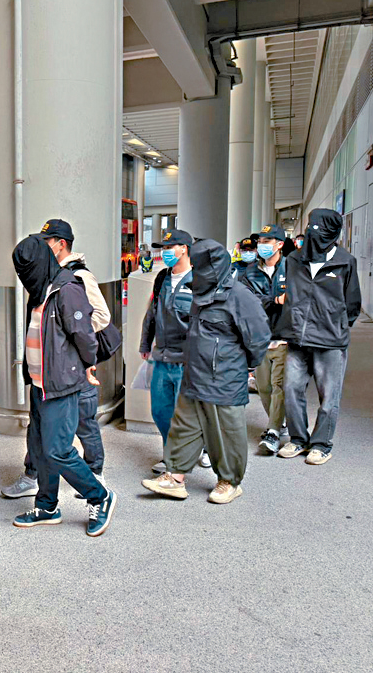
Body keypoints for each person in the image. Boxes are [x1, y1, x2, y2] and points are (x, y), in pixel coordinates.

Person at [142, 239, 270, 504]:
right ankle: (175, 477)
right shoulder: (200, 291)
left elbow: (258, 339)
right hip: (195, 373)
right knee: (184, 426)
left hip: (224, 378)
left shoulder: (240, 296)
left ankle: (229, 481)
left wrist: (244, 368)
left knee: (226, 432)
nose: (196, 272)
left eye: (200, 267)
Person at [10, 235, 117, 537]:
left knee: (58, 450)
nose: (24, 277)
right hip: (39, 383)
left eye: (27, 270)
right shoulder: (41, 289)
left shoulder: (68, 289)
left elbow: (84, 334)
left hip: (60, 384)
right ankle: (46, 506)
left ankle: (100, 497)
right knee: (43, 449)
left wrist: (88, 365)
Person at [276, 209, 361, 465]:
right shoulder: (294, 259)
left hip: (330, 341)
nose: (314, 233)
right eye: (311, 226)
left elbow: (352, 302)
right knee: (291, 390)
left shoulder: (345, 262)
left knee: (329, 396)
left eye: (320, 228)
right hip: (297, 339)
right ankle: (298, 439)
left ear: (333, 233)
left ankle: (321, 444)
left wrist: (337, 327)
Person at [139, 229, 210, 473]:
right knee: (160, 411)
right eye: (164, 248)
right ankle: (173, 451)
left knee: (187, 414)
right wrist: (145, 344)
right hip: (162, 356)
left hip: (187, 360)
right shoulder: (162, 278)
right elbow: (152, 313)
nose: (165, 252)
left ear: (185, 249)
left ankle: (178, 460)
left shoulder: (200, 279)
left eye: (171, 248)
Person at [239, 224, 289, 454]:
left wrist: (272, 301)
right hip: (259, 338)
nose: (262, 246)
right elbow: (248, 301)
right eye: (260, 241)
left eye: (267, 241)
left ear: (279, 244)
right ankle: (278, 422)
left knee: (279, 385)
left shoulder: (291, 268)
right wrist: (276, 300)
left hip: (285, 335)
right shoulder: (250, 272)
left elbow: (297, 298)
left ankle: (274, 431)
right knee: (264, 387)